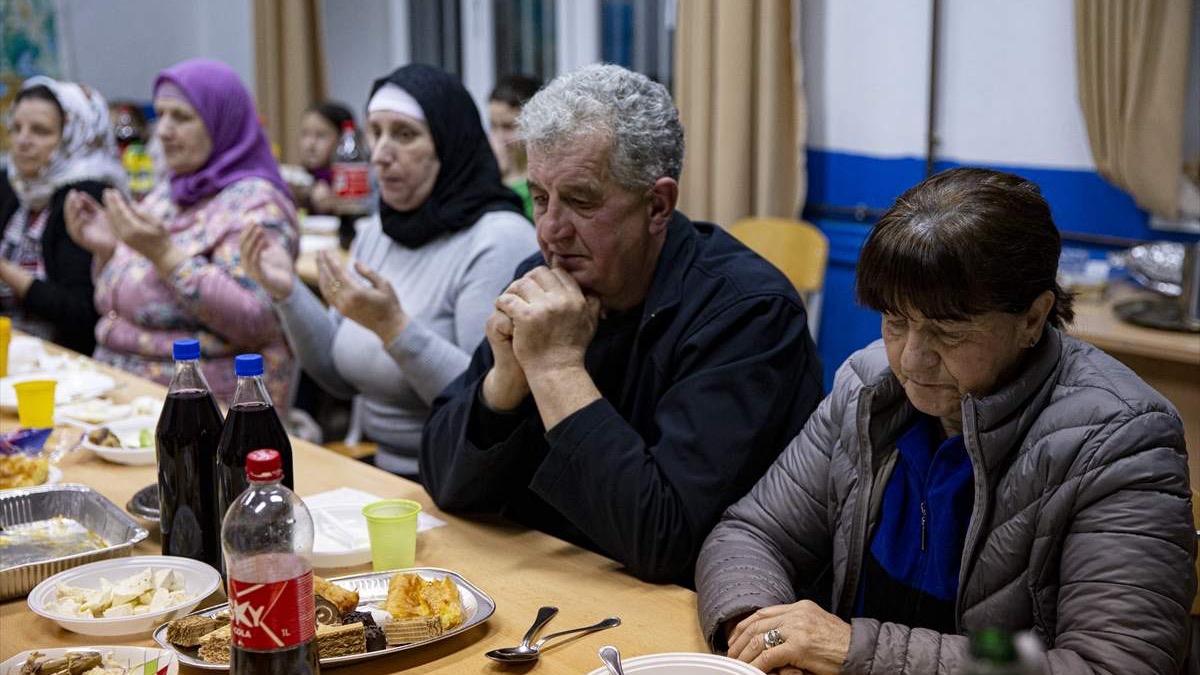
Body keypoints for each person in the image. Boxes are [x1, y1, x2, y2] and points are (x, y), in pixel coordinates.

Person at [695, 168, 1195, 675]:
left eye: (949, 332)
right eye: (894, 321)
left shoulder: (1120, 438)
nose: (911, 359)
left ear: (1032, 317)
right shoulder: (869, 388)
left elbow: (1110, 664)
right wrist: (760, 632)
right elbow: (751, 534)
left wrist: (856, 650)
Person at [420, 64, 824, 584]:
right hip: (549, 584)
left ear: (657, 205)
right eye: (540, 198)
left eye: (582, 201)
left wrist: (557, 370)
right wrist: (505, 383)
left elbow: (667, 545)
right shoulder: (543, 278)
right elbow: (443, 483)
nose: (550, 230)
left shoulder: (749, 314)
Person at [240, 64, 536, 479]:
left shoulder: (499, 238)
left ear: (449, 143)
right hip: (377, 468)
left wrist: (394, 327)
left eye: (404, 134)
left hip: (461, 480)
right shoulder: (379, 230)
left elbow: (487, 400)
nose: (379, 154)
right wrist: (288, 293)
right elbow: (337, 376)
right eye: (374, 133)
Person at [65, 58, 298, 405]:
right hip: (122, 392)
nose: (164, 130)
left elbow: (257, 321)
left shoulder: (257, 205)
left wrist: (164, 255)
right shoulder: (169, 193)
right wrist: (108, 252)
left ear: (223, 123)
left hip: (203, 410)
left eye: (182, 117)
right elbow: (118, 300)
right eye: (161, 115)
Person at [1, 77, 126, 355]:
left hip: (66, 361)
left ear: (74, 136)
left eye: (40, 131)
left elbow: (80, 314)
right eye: (16, 128)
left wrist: (6, 271)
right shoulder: (13, 184)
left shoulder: (85, 196)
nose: (22, 141)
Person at [488, 75, 540, 219]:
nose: (498, 137)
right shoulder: (494, 172)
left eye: (508, 127)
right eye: (492, 126)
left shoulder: (539, 184)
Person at [293, 100, 355, 215]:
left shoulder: (354, 180)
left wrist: (335, 206)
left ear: (343, 140)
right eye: (304, 134)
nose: (310, 144)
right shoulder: (296, 180)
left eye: (321, 135)